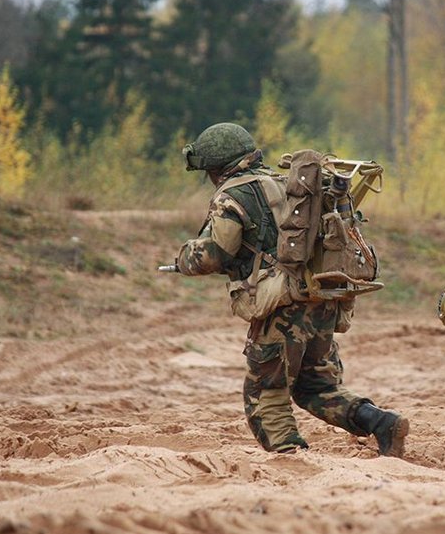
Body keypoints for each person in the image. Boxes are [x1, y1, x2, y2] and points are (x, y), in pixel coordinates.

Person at [174, 122, 408, 456]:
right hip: (322, 298)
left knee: (265, 395)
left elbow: (216, 253)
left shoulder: (231, 195)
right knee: (318, 386)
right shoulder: (290, 183)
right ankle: (381, 422)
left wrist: (184, 258)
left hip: (282, 308)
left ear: (214, 169)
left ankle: (292, 459)